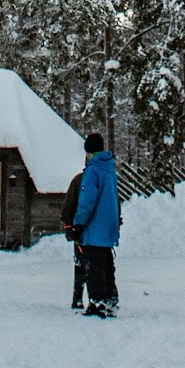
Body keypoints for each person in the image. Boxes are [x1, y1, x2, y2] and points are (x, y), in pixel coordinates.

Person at [71, 130, 120, 318]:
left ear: (89, 152)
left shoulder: (92, 170)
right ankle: (110, 299)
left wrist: (79, 223)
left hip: (95, 227)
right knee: (107, 264)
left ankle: (96, 303)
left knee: (94, 266)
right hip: (109, 227)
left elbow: (87, 200)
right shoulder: (109, 169)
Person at [62, 163, 87, 311]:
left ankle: (78, 299)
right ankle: (83, 298)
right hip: (86, 230)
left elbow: (68, 205)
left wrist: (68, 226)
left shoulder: (79, 180)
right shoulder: (79, 181)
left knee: (81, 264)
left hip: (80, 228)